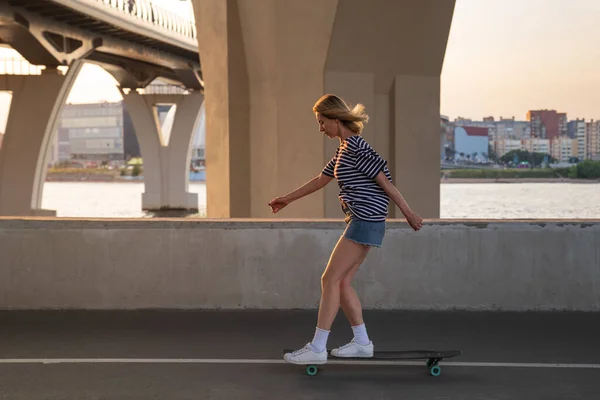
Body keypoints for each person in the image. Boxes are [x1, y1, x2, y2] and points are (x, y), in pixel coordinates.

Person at [269, 94, 423, 366]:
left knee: (329, 280)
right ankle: (362, 343)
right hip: (363, 220)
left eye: (322, 122)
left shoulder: (357, 148)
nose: (320, 128)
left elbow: (386, 183)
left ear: (336, 119)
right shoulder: (343, 149)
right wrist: (286, 199)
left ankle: (317, 347)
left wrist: (409, 213)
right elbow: (320, 180)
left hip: (365, 220)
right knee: (341, 283)